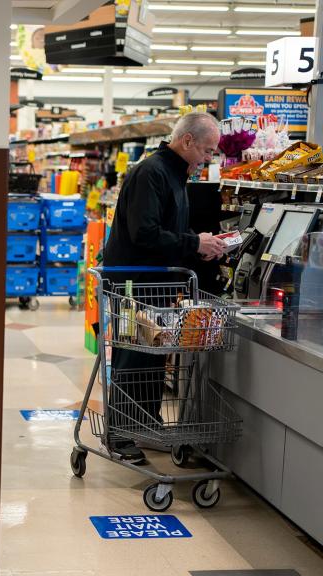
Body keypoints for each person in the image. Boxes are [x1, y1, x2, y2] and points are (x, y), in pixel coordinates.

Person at [101, 112, 226, 462]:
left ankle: (144, 422)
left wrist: (203, 246)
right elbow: (145, 233)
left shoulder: (174, 175)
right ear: (187, 141)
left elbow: (169, 232)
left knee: (152, 356)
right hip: (130, 284)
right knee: (129, 352)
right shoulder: (151, 172)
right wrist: (193, 242)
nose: (208, 158)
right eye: (207, 149)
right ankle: (119, 435)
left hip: (154, 283)